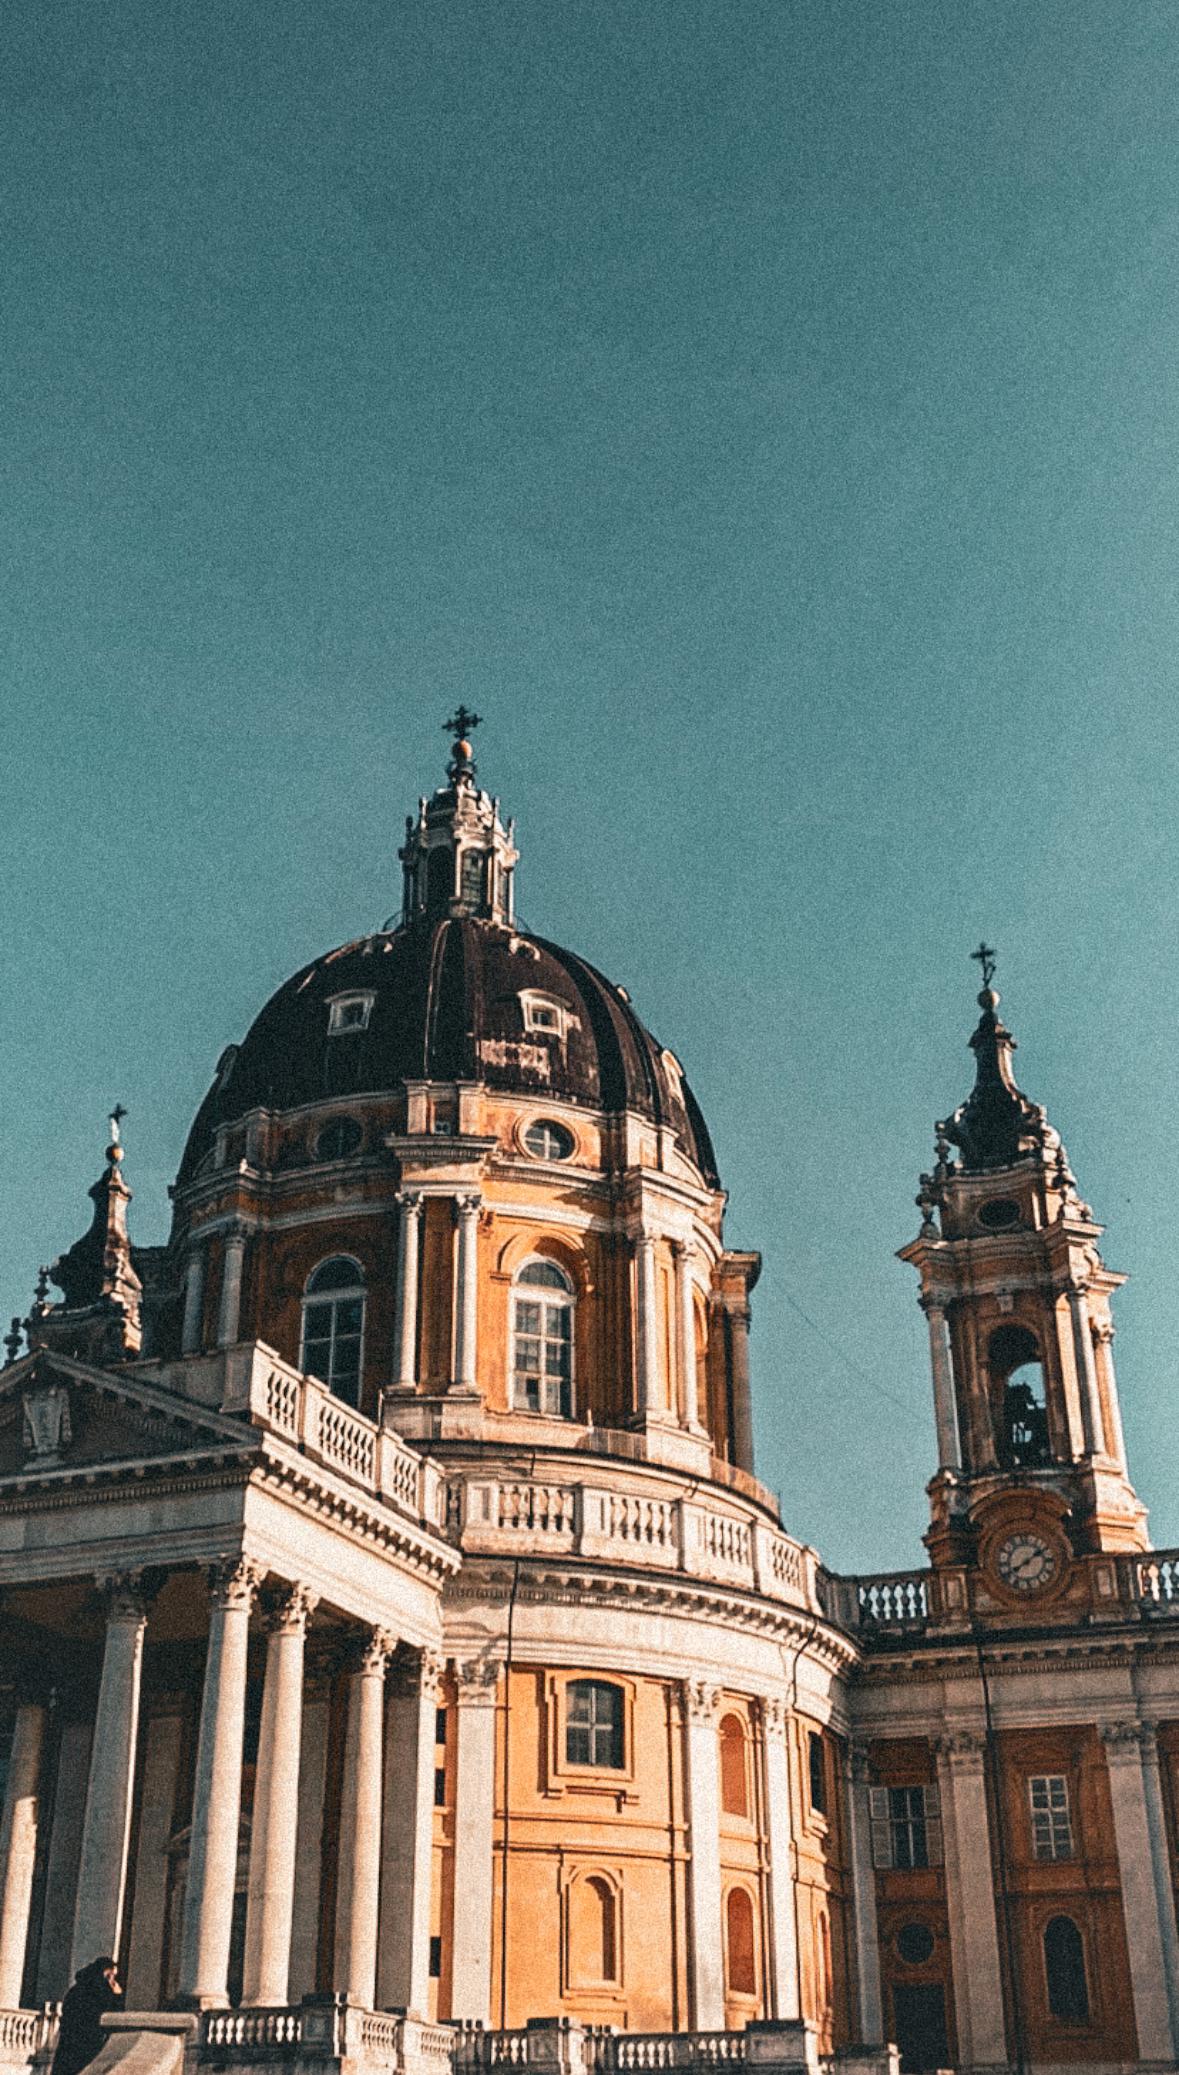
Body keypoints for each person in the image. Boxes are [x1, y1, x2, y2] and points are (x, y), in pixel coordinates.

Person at [50, 1957, 122, 2075]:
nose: (112, 1980)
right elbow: (111, 2012)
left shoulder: (77, 1988)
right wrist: (117, 1995)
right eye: (110, 1975)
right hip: (85, 2044)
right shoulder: (98, 1991)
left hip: (68, 2045)